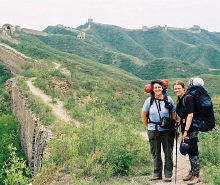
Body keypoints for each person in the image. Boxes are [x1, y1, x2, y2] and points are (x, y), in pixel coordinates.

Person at [142, 80, 176, 182]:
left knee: (168, 152)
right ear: (152, 89)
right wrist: (147, 126)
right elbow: (144, 114)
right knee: (155, 152)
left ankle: (168, 174)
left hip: (167, 130)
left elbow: (174, 112)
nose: (157, 89)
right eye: (155, 87)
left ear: (162, 88)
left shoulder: (168, 99)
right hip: (153, 129)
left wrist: (174, 127)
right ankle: (157, 173)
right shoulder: (149, 101)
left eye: (159, 87)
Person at [173, 80, 200, 184]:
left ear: (183, 88)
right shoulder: (180, 99)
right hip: (186, 126)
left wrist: (186, 131)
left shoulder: (188, 98)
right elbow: (183, 115)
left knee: (193, 151)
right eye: (175, 88)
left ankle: (196, 175)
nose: (177, 90)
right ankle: (192, 172)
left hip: (191, 128)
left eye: (179, 88)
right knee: (189, 150)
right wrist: (178, 122)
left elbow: (190, 115)